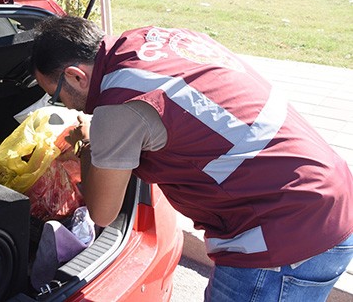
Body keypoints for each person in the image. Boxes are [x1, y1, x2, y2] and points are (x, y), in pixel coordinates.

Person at [29, 16, 353, 302]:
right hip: (325, 191)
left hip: (282, 232)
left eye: (56, 96)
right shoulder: (150, 39)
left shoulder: (117, 109)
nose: (65, 106)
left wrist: (88, 143)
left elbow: (101, 213)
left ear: (75, 76)